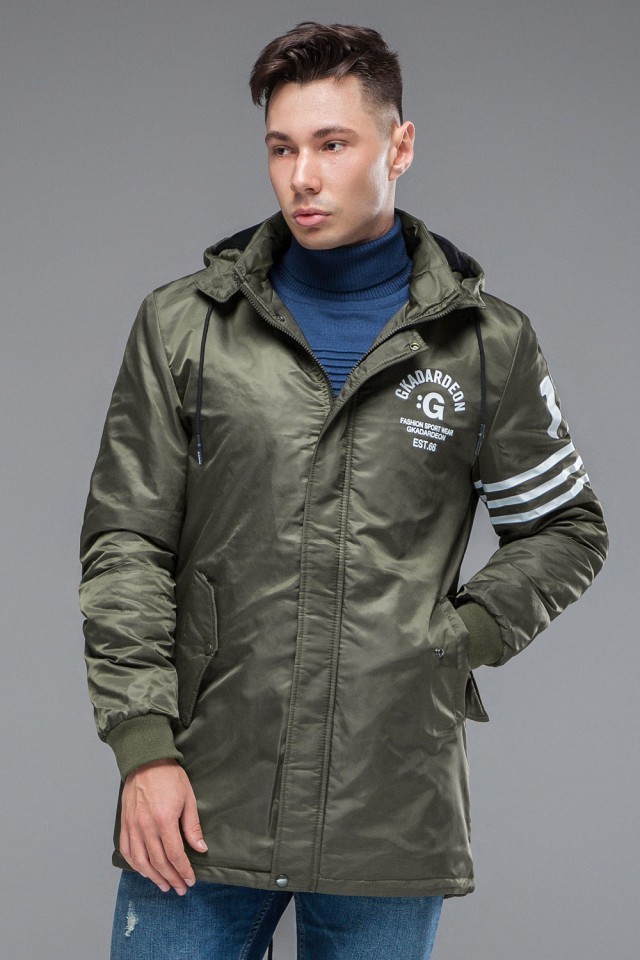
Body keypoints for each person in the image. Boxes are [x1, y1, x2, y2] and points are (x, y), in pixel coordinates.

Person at [80, 21, 608, 960]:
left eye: (332, 144)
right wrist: (143, 744)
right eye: (282, 148)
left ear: (399, 146)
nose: (302, 177)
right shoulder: (184, 325)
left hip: (389, 801)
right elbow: (127, 542)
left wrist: (454, 641)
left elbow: (565, 527)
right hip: (199, 791)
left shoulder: (485, 345)